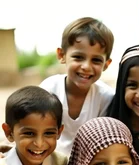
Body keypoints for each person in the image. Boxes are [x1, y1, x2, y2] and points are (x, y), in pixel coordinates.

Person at [40, 16, 114, 155]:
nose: (86, 66)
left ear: (106, 64)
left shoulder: (106, 97)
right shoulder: (49, 88)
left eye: (96, 60)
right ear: (61, 55)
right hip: (47, 161)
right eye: (78, 57)